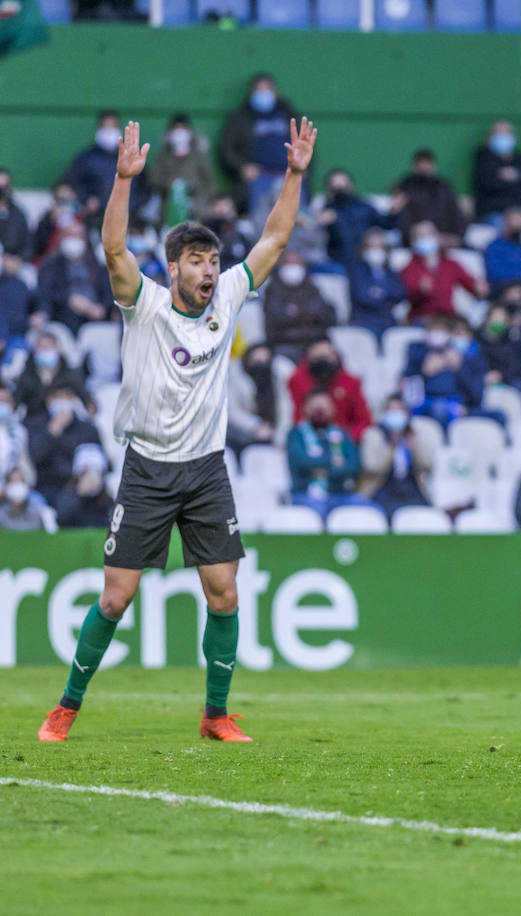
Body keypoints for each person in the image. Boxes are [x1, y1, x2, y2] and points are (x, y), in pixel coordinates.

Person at [36, 115, 317, 744]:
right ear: (172, 267)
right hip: (147, 467)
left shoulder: (230, 299)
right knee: (116, 598)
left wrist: (294, 177)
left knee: (224, 591)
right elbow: (113, 249)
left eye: (214, 260)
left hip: (206, 468)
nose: (211, 270)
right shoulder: (146, 303)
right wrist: (123, 180)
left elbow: (273, 240)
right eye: (197, 261)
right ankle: (66, 707)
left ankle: (216, 715)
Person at [218, 74, 303, 214]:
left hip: (289, 176)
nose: (263, 93)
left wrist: (303, 168)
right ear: (252, 93)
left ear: (275, 91)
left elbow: (305, 142)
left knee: (295, 219)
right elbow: (227, 149)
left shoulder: (287, 113)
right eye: (259, 89)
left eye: (267, 89)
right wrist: (242, 167)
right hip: (258, 178)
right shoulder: (241, 117)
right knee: (260, 221)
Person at [287, 389, 372, 520]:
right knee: (316, 514)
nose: (320, 413)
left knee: (369, 510)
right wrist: (333, 460)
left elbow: (354, 466)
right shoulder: (296, 434)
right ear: (305, 409)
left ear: (333, 409)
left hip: (340, 495)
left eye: (324, 408)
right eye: (315, 408)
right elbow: (301, 462)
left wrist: (323, 471)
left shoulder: (342, 434)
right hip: (306, 494)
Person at [62, 109, 148, 220]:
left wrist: (133, 204)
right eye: (105, 127)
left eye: (113, 126)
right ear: (98, 128)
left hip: (129, 218)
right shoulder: (87, 157)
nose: (109, 131)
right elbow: (72, 182)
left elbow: (145, 188)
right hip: (95, 217)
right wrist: (86, 199)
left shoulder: (130, 157)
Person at [359, 394, 434, 519]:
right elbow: (372, 467)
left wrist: (414, 447)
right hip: (382, 489)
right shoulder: (373, 434)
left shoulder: (414, 434)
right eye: (391, 410)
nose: (395, 414)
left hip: (412, 490)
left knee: (427, 517)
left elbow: (428, 465)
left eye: (399, 410)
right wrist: (391, 445)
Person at [402, 315, 488, 424]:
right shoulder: (418, 352)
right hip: (425, 401)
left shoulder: (465, 357)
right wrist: (423, 372)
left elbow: (475, 393)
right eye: (433, 330)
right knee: (437, 408)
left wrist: (459, 367)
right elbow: (408, 383)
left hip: (456, 402)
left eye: (441, 330)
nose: (437, 335)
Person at [25, 381, 100, 504]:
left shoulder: (87, 429)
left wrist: (90, 474)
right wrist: (52, 432)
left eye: (67, 396)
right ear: (48, 400)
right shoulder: (35, 424)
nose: (62, 401)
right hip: (45, 486)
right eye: (57, 397)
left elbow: (100, 459)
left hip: (78, 486)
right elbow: (33, 458)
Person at [400, 220, 487, 322]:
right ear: (414, 241)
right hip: (422, 318)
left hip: (447, 318)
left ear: (437, 237)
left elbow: (471, 284)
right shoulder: (409, 268)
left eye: (429, 234)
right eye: (421, 235)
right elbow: (403, 296)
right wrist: (419, 291)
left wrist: (478, 287)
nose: (426, 238)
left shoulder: (450, 264)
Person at [287, 338, 372, 442]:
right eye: (318, 357)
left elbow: (363, 419)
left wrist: (346, 437)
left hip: (345, 437)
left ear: (336, 357)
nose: (323, 362)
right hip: (308, 439)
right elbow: (295, 415)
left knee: (372, 437)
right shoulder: (296, 380)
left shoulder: (351, 382)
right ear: (308, 357)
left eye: (327, 357)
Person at [36, 223, 112, 333]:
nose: (74, 240)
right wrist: (69, 299)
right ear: (62, 238)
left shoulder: (96, 264)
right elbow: (45, 292)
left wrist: (102, 308)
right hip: (63, 315)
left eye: (78, 236)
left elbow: (108, 291)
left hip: (95, 315)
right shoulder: (51, 264)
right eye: (70, 235)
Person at [147, 112, 217, 228]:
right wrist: (171, 186)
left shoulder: (199, 156)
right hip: (167, 210)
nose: (180, 133)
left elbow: (210, 182)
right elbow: (154, 178)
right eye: (176, 129)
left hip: (196, 209)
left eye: (183, 129)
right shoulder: (163, 156)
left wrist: (195, 191)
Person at [262, 251, 333, 359]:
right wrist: (305, 317)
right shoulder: (272, 289)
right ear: (281, 265)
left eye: (297, 263)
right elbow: (277, 320)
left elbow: (322, 314)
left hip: (313, 341)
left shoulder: (311, 286)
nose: (293, 267)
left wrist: (295, 315)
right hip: (284, 344)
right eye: (289, 263)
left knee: (328, 355)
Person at [318, 168, 393, 269]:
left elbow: (385, 224)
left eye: (343, 186)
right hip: (337, 262)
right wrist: (319, 225)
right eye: (336, 188)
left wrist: (394, 211)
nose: (340, 191)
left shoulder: (364, 207)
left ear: (350, 186)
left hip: (364, 261)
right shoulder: (325, 211)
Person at [472, 120, 521, 223]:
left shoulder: (519, 158)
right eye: (498, 134)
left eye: (506, 133)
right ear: (489, 138)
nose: (503, 137)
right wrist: (514, 180)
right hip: (496, 214)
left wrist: (516, 175)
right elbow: (488, 183)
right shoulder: (483, 158)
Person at [395, 149, 466, 247]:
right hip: (416, 238)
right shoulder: (405, 187)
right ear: (414, 166)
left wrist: (456, 236)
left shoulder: (444, 186)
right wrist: (414, 235)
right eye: (421, 163)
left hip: (443, 238)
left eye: (427, 163)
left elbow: (456, 214)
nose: (424, 166)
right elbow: (400, 216)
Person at [12, 332, 88, 418]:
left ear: (57, 349)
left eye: (48, 347)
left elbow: (87, 402)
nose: (44, 350)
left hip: (68, 422)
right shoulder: (26, 376)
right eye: (41, 347)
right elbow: (14, 404)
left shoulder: (71, 375)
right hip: (34, 423)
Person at [347, 228, 405, 339]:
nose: (376, 251)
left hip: (388, 320)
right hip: (363, 320)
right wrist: (386, 295)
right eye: (371, 247)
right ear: (364, 249)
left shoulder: (390, 272)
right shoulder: (356, 272)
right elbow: (362, 297)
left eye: (380, 247)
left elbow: (400, 294)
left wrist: (380, 293)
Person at [226, 343, 285, 453]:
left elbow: (286, 410)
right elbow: (231, 411)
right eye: (256, 361)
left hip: (275, 436)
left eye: (265, 361)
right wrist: (255, 426)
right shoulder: (235, 377)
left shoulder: (279, 377)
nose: (261, 366)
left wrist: (279, 436)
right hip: (241, 436)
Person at [55, 442, 114, 528]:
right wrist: (81, 494)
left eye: (97, 472)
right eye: (86, 472)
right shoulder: (68, 496)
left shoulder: (107, 498)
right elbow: (62, 520)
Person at [32, 182, 82, 263]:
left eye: (68, 194)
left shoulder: (81, 217)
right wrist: (51, 222)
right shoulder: (47, 218)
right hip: (52, 259)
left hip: (78, 261)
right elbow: (39, 244)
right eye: (61, 199)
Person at [204, 193, 253, 269]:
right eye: (218, 206)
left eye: (225, 206)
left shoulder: (243, 233)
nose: (222, 210)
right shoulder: (206, 235)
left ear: (234, 210)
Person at [0, 250, 35, 344]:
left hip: (17, 335)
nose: (12, 264)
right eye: (8, 259)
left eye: (16, 261)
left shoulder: (22, 286)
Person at [0, 385, 33, 481]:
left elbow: (28, 469)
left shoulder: (20, 432)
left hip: (12, 488)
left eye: (6, 401)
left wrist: (21, 477)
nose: (2, 405)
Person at [0, 167, 32, 259]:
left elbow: (27, 243)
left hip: (12, 262)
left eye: (4, 187)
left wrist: (18, 259)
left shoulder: (18, 214)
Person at [0, 465, 43, 530]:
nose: (17, 487)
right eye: (13, 482)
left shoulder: (37, 502)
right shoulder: (1, 514)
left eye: (20, 481)